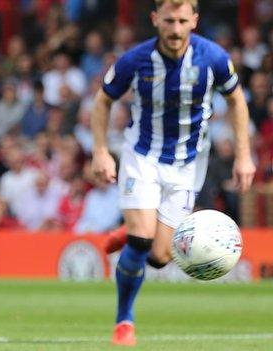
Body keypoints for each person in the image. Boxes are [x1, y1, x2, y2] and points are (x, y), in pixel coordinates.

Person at [90, 0, 255, 346]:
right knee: (140, 239)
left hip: (187, 166)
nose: (176, 29)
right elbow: (103, 100)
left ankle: (134, 226)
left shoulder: (213, 58)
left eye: (182, 20)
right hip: (142, 157)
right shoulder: (135, 60)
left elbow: (237, 100)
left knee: (162, 257)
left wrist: (243, 155)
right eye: (168, 20)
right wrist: (101, 151)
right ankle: (124, 321)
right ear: (155, 20)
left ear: (194, 20)